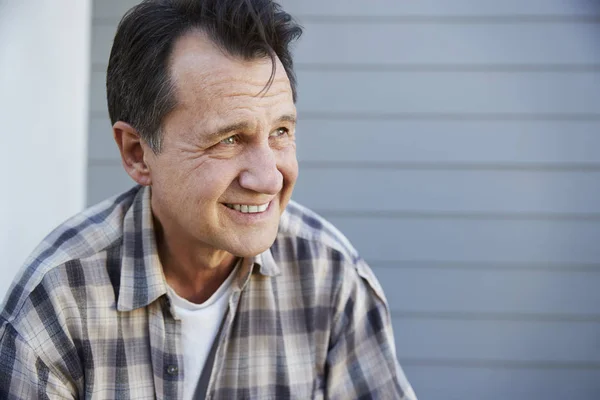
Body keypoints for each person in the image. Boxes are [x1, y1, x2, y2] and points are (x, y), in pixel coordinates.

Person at [0, 0, 417, 398]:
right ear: (137, 153)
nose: (269, 178)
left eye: (281, 132)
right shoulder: (57, 299)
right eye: (230, 139)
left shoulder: (330, 276)